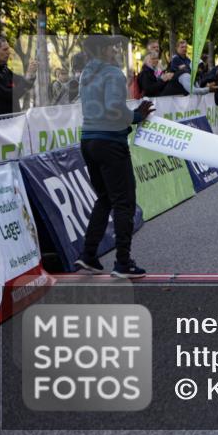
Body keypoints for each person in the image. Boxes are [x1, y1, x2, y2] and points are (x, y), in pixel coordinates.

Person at [73, 36, 154, 279]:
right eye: (113, 47)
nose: (116, 50)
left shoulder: (87, 74)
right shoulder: (113, 73)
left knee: (105, 198)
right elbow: (113, 108)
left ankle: (88, 255)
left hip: (88, 139)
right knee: (124, 201)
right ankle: (123, 262)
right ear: (105, 50)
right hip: (110, 141)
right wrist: (137, 116)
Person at [0, 36, 38, 116]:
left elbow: (23, 81)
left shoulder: (4, 70)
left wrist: (31, 74)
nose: (8, 52)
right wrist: (28, 76)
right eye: (5, 49)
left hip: (12, 122)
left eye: (8, 49)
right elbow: (12, 96)